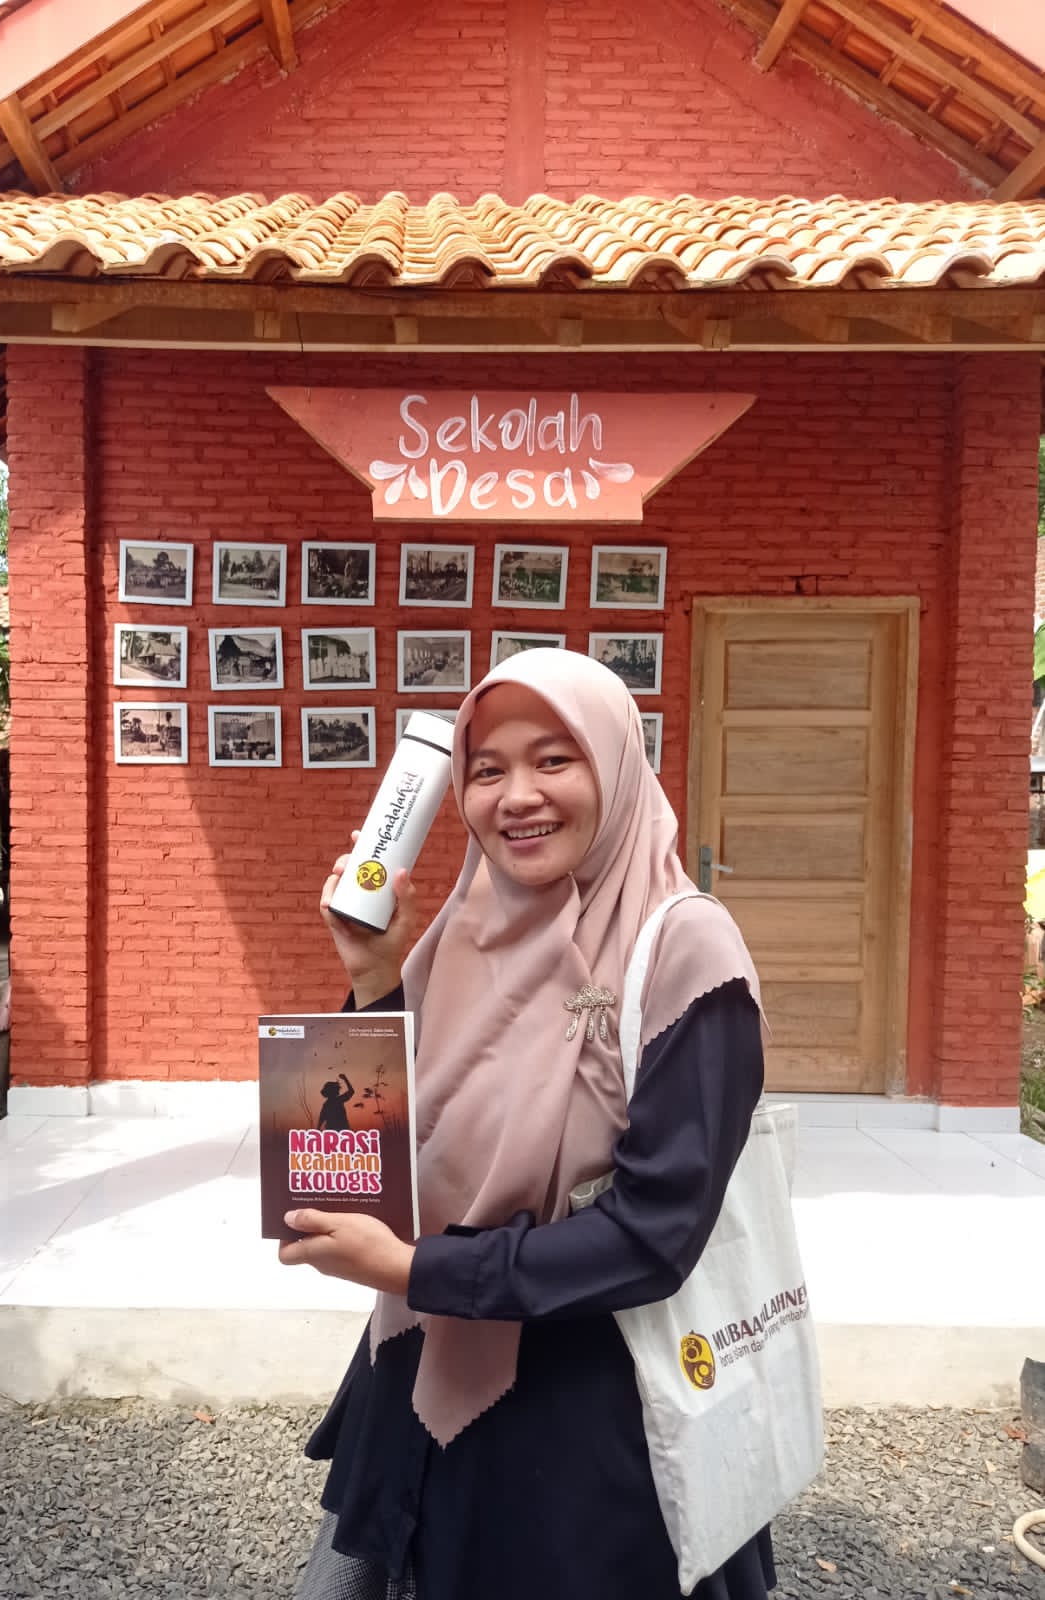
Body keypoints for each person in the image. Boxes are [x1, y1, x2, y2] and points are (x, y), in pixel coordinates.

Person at [279, 648, 774, 1600]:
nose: (516, 796)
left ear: (615, 765)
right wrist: (373, 977)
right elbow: (355, 1155)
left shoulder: (687, 948)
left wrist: (414, 1269)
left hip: (587, 1420)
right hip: (417, 1366)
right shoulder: (460, 932)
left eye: (554, 759)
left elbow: (654, 1237)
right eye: (486, 769)